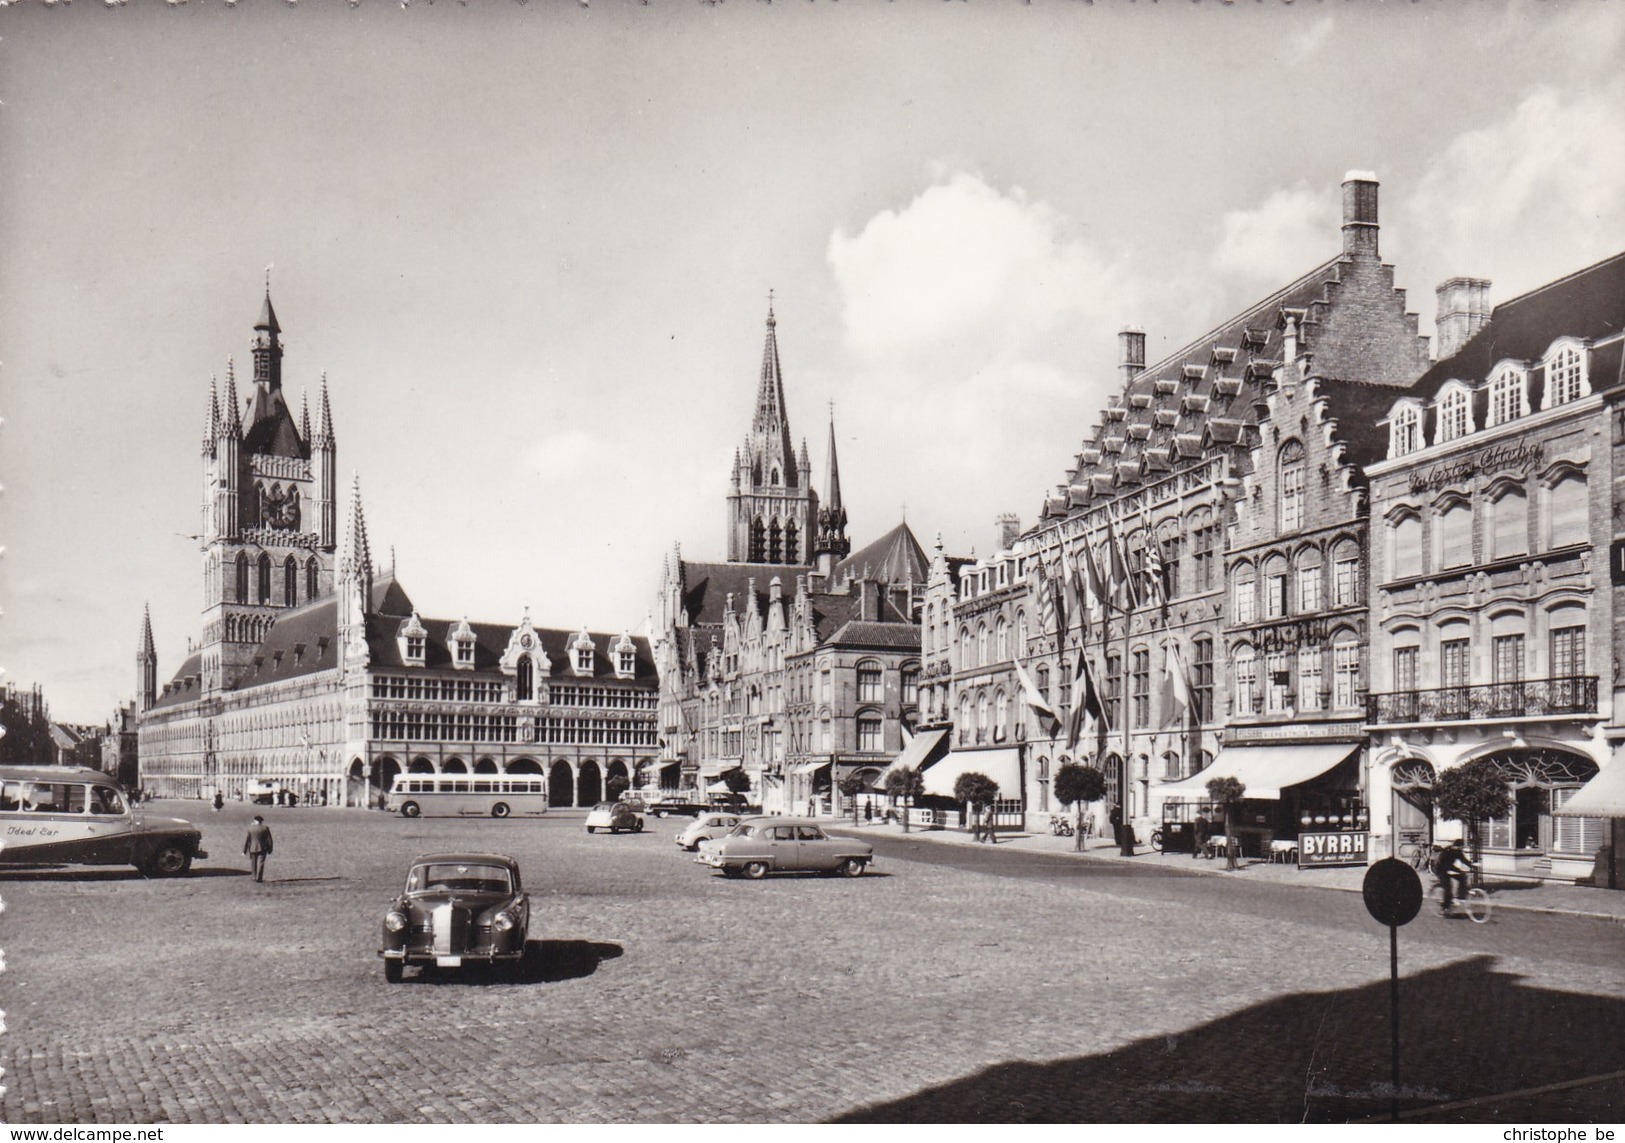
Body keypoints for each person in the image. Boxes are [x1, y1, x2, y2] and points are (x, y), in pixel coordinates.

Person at [1433, 838, 1474, 914]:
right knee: (1448, 887)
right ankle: (1444, 908)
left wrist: (1472, 865)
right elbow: (1442, 862)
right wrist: (1450, 871)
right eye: (1459, 847)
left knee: (1463, 876)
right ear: (1455, 846)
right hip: (1441, 869)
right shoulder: (1447, 851)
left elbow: (1463, 860)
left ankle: (1459, 896)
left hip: (1450, 867)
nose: (1460, 849)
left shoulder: (1458, 851)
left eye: (1461, 847)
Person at [244, 815, 274, 883]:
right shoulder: (265, 828)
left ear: (255, 821)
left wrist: (244, 850)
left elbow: (247, 840)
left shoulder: (250, 828)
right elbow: (269, 840)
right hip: (263, 848)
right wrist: (270, 849)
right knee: (261, 863)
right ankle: (260, 877)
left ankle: (254, 876)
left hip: (252, 847)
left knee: (253, 863)